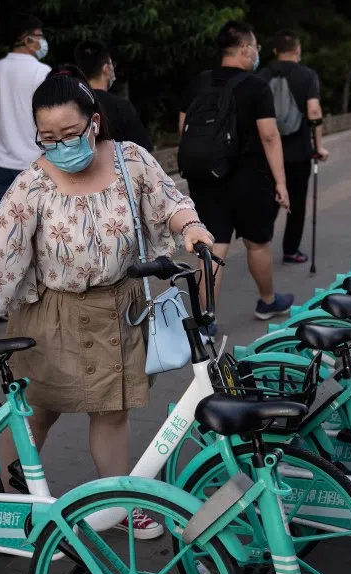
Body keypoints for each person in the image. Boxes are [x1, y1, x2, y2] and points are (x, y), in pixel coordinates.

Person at [0, 66, 214, 539]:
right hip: (53, 315)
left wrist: (191, 228)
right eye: (49, 137)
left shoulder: (131, 161)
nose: (62, 145)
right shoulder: (31, 185)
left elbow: (170, 202)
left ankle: (119, 503)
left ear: (94, 122)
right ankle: (7, 503)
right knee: (37, 411)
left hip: (119, 310)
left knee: (112, 412)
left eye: (70, 133)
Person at [179, 20, 293, 340]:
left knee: (213, 248)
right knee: (257, 242)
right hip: (249, 179)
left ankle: (207, 321)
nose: (256, 52)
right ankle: (268, 302)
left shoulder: (199, 82)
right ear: (245, 49)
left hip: (205, 178)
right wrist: (281, 183)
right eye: (254, 47)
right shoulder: (256, 86)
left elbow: (184, 130)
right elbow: (269, 137)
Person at [257, 30, 329, 264]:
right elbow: (314, 111)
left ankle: (260, 245)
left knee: (268, 200)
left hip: (267, 153)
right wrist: (318, 145)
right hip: (299, 152)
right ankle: (291, 250)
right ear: (298, 50)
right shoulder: (307, 76)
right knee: (297, 203)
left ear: (276, 51)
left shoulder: (262, 75)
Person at [0, 15, 52, 216]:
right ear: (27, 39)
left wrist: (0, 136)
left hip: (2, 164)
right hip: (37, 163)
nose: (43, 42)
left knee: (4, 236)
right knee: (40, 231)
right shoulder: (43, 72)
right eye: (39, 36)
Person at [75, 41, 154, 151]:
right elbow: (142, 152)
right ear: (106, 69)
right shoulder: (121, 107)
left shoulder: (72, 105)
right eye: (112, 64)